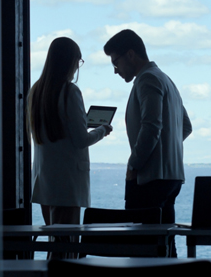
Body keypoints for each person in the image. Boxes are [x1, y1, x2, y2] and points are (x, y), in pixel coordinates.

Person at [104, 29, 192, 256]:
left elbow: (151, 127)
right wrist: (165, 149)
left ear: (130, 54)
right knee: (165, 244)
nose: (115, 70)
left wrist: (134, 163)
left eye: (116, 62)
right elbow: (185, 126)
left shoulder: (147, 79)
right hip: (172, 177)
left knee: (142, 250)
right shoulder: (166, 79)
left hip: (150, 178)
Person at [28, 37, 112, 258]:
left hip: (45, 183)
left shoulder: (36, 92)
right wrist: (102, 130)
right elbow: (81, 140)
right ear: (70, 61)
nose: (78, 65)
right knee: (67, 249)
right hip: (67, 184)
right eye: (78, 60)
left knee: (55, 245)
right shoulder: (70, 92)